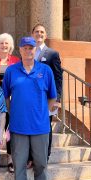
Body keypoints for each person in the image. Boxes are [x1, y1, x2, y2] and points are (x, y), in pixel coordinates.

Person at [3, 37, 57, 180]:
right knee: (19, 165)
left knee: (41, 164)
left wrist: (42, 113)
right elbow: (6, 98)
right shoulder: (11, 71)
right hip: (18, 128)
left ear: (35, 50)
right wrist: (15, 114)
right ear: (19, 50)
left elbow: (52, 97)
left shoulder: (46, 70)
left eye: (31, 48)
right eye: (25, 48)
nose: (28, 51)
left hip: (41, 128)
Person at [27, 23, 63, 167]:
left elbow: (58, 77)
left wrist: (57, 98)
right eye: (36, 32)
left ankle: (44, 157)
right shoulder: (27, 52)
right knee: (30, 127)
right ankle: (31, 157)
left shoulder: (52, 54)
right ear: (32, 34)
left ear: (45, 35)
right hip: (29, 99)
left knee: (45, 127)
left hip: (47, 99)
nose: (39, 34)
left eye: (42, 32)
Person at [0, 33, 20, 173]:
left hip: (12, 101)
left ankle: (10, 159)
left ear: (10, 46)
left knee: (10, 129)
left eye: (6, 43)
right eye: (1, 43)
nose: (4, 46)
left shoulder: (17, 61)